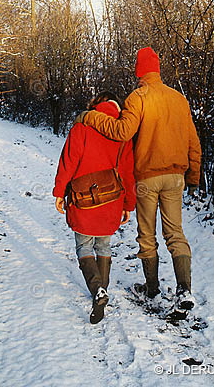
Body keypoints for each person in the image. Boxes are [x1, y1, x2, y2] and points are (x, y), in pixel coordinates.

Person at [76, 48, 201, 312]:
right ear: (157, 69)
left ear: (139, 71)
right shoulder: (179, 99)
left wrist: (90, 116)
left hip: (147, 177)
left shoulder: (138, 98)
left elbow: (121, 131)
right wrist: (193, 176)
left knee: (147, 235)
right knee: (175, 233)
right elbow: (193, 142)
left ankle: (152, 289)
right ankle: (184, 290)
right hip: (176, 177)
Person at [53, 91, 136, 324]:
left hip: (83, 199)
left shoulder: (81, 128)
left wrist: (60, 192)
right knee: (104, 244)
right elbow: (128, 173)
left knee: (84, 245)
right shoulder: (123, 133)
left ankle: (98, 289)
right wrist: (128, 203)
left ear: (95, 106)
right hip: (111, 199)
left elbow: (68, 162)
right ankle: (102, 289)